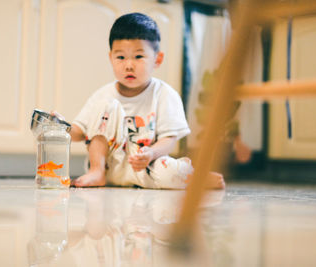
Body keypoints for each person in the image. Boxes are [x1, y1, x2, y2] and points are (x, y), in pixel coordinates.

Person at [54, 12, 225, 189]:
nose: (129, 65)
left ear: (157, 59)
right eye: (120, 57)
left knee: (168, 171)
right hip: (109, 167)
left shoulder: (165, 94)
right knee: (108, 104)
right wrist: (61, 127)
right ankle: (97, 172)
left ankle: (196, 178)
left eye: (138, 57)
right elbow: (79, 132)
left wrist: (151, 153)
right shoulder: (103, 95)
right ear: (111, 58)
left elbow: (169, 139)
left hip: (146, 166)